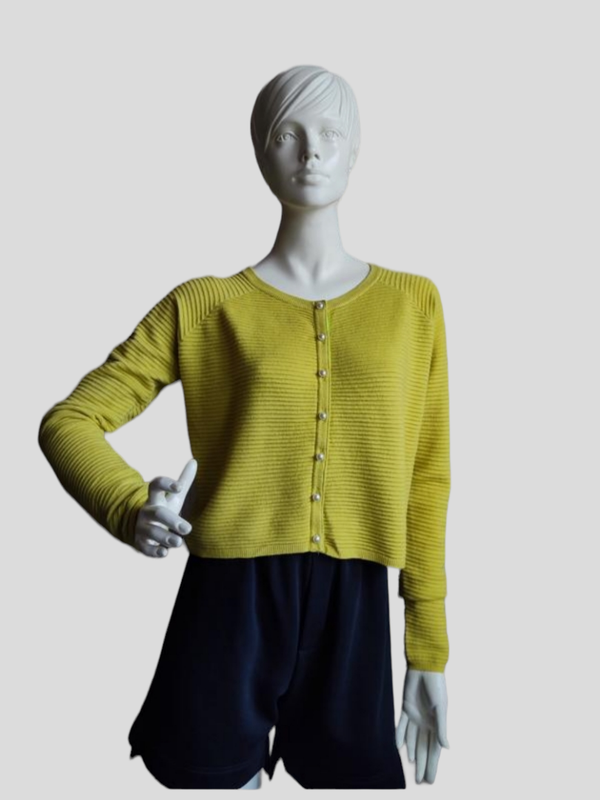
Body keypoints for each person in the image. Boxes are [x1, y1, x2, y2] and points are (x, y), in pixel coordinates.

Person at [38, 64, 451, 789]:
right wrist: (131, 506)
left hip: (354, 605)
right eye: (288, 133)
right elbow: (70, 420)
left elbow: (427, 474)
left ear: (357, 150)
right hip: (229, 599)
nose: (311, 151)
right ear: (261, 151)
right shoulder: (205, 307)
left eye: (330, 133)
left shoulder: (413, 305)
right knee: (209, 779)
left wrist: (428, 646)